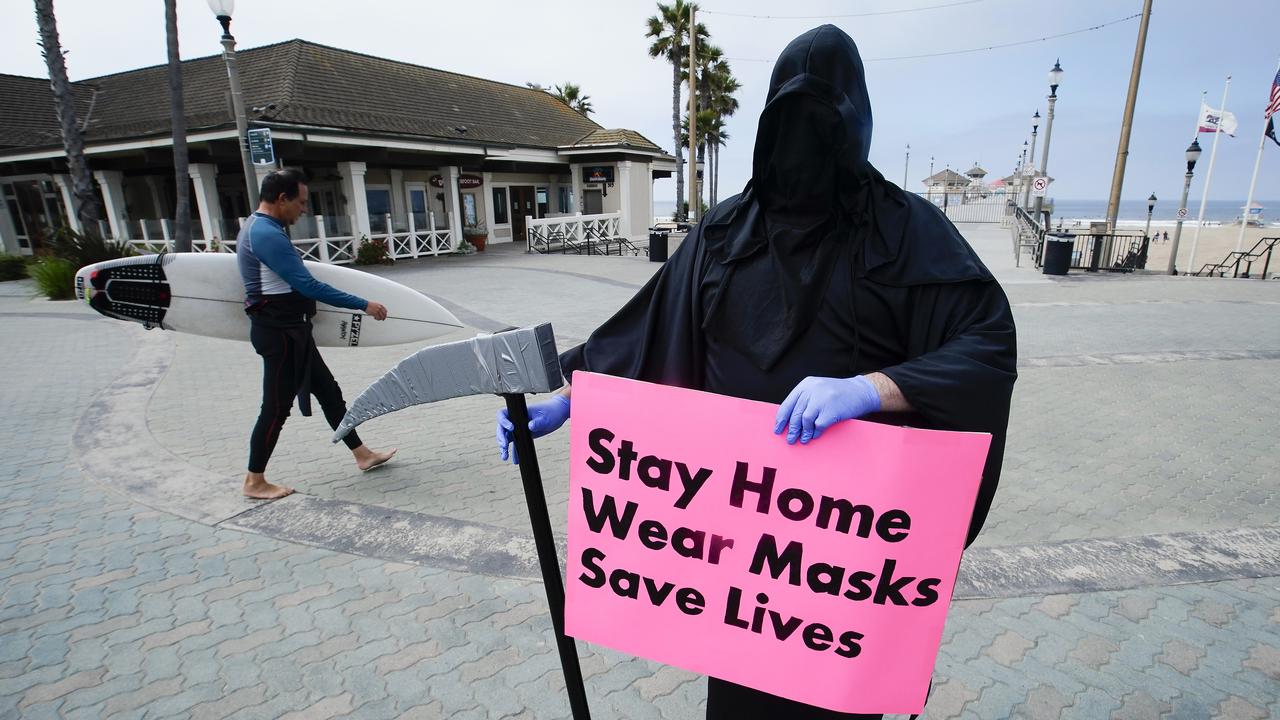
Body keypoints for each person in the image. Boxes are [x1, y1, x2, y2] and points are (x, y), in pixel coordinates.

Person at [496, 26, 1017, 720]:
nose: (804, 145)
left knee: (838, 706)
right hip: (740, 560)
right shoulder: (724, 233)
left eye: (822, 123)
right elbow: (653, 335)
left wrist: (871, 390)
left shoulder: (907, 232)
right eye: (789, 123)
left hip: (844, 562)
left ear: (854, 123)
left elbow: (985, 347)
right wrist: (575, 398)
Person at [238, 168, 396, 500]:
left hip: (293, 332)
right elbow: (307, 285)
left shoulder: (264, 227)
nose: (304, 209)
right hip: (280, 336)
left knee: (328, 392)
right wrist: (363, 304)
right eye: (301, 202)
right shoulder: (265, 233)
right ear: (282, 199)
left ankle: (362, 454)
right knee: (276, 409)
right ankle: (254, 480)